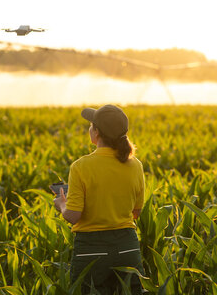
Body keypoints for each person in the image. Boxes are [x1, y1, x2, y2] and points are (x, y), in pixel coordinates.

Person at [53, 104, 145, 294]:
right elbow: (136, 212)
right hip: (128, 248)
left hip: (91, 250)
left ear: (96, 133)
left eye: (91, 125)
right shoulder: (135, 165)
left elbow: (73, 216)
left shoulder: (81, 166)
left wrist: (62, 205)